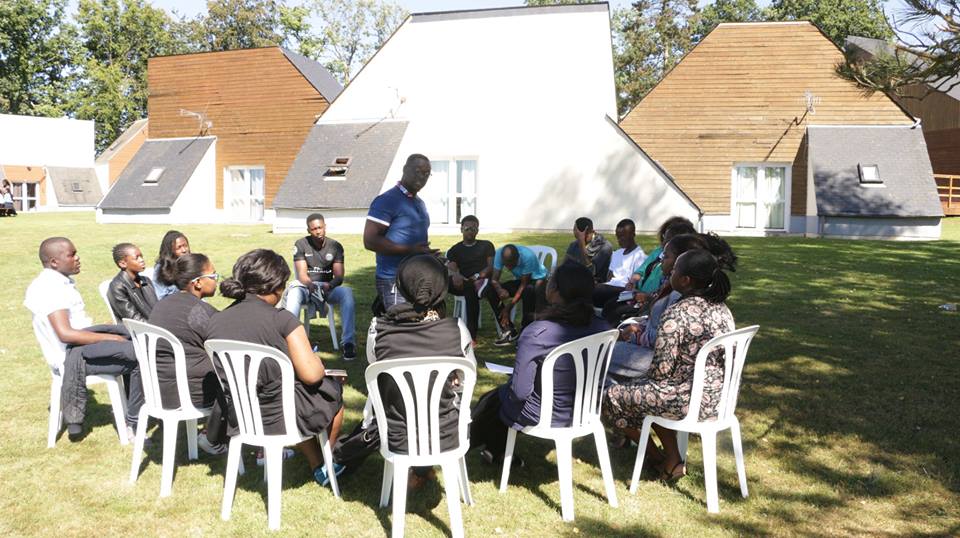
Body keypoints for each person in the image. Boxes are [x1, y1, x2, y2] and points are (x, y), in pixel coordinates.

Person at [206, 249, 345, 487]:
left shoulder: (216, 321)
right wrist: (318, 364)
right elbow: (311, 375)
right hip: (279, 415)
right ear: (274, 286)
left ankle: (317, 464)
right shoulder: (282, 320)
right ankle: (325, 462)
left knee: (295, 395)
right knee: (332, 392)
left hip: (239, 414)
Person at [333, 254, 472, 488]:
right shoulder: (457, 330)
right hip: (448, 435)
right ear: (442, 287)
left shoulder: (378, 330)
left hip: (396, 435)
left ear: (401, 287)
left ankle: (413, 471)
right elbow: (466, 382)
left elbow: (376, 370)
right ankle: (421, 471)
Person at [603, 248, 735, 482]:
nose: (669, 272)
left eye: (674, 270)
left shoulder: (676, 315)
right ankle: (672, 457)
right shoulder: (721, 308)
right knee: (643, 390)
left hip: (687, 402)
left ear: (685, 280)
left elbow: (660, 375)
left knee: (610, 395)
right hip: (719, 398)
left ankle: (659, 458)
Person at [470, 262, 610, 466]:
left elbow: (520, 393)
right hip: (586, 410)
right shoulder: (604, 327)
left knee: (494, 402)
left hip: (547, 413)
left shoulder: (538, 332)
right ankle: (496, 451)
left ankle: (465, 445)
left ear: (555, 291)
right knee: (495, 400)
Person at [23, 237, 144, 442]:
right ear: (54, 262)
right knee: (143, 355)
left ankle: (136, 413)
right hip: (72, 354)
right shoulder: (50, 288)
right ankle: (134, 423)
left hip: (81, 346)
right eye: (71, 255)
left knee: (136, 341)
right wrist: (110, 337)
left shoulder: (56, 282)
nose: (77, 258)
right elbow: (66, 334)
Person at [146, 252, 228, 454]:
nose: (216, 281)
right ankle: (213, 438)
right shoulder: (199, 312)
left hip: (158, 388)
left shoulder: (161, 304)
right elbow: (227, 343)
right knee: (241, 375)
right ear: (198, 283)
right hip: (189, 393)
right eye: (213, 276)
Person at [364, 154, 437, 309]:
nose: (422, 177)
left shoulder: (420, 203)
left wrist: (426, 254)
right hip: (393, 279)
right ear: (405, 169)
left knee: (419, 327)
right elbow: (370, 240)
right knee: (400, 328)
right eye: (418, 171)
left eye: (426, 174)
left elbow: (413, 240)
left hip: (418, 277)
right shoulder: (386, 201)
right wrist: (411, 250)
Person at [283, 213, 357, 359]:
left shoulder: (335, 246)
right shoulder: (301, 244)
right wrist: (311, 285)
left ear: (325, 227)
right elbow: (302, 274)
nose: (318, 232)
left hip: (327, 287)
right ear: (308, 230)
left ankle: (348, 343)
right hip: (306, 287)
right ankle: (288, 341)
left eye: (320, 228)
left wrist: (329, 285)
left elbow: (339, 276)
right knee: (293, 295)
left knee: (347, 292)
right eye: (314, 229)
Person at [601, 217, 696, 326]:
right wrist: (633, 284)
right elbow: (640, 271)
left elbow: (659, 312)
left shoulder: (676, 280)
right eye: (664, 236)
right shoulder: (661, 257)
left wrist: (646, 298)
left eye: (668, 239)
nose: (664, 241)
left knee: (615, 310)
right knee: (610, 305)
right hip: (639, 296)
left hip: (646, 309)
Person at [445, 215, 498, 344]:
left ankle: (471, 335)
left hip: (481, 283)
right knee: (442, 282)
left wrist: (480, 275)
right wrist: (456, 275)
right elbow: (452, 267)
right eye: (467, 228)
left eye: (473, 228)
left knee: (470, 289)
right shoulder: (455, 249)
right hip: (462, 283)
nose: (470, 231)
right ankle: (436, 324)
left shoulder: (486, 245)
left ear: (477, 230)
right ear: (461, 229)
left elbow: (490, 267)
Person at [490, 244, 549, 345]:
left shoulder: (528, 257)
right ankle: (509, 330)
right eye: (506, 265)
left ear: (518, 258)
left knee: (528, 291)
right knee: (491, 290)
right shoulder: (499, 254)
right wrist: (500, 289)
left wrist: (508, 307)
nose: (508, 268)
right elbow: (494, 280)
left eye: (511, 265)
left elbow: (523, 285)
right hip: (521, 281)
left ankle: (526, 333)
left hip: (537, 279)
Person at [592, 219, 646, 307]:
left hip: (625, 291)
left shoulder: (639, 256)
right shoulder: (617, 253)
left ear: (633, 234)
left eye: (623, 237)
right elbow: (610, 277)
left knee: (595, 290)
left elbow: (634, 284)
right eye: (618, 237)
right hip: (609, 287)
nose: (619, 240)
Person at [106, 243, 158, 323]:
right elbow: (134, 319)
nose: (141, 260)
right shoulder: (117, 287)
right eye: (136, 258)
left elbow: (158, 307)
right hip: (138, 332)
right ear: (123, 264)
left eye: (141, 256)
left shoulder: (146, 281)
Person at [564, 217, 613, 283]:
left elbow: (591, 272)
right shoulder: (574, 244)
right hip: (575, 281)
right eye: (577, 236)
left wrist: (582, 246)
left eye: (581, 236)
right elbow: (564, 266)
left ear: (592, 232)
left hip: (595, 283)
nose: (578, 239)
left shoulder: (605, 247)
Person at [153, 230, 191, 301]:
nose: (184, 250)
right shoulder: (161, 269)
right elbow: (160, 296)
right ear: (170, 250)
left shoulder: (191, 263)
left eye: (185, 246)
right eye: (179, 247)